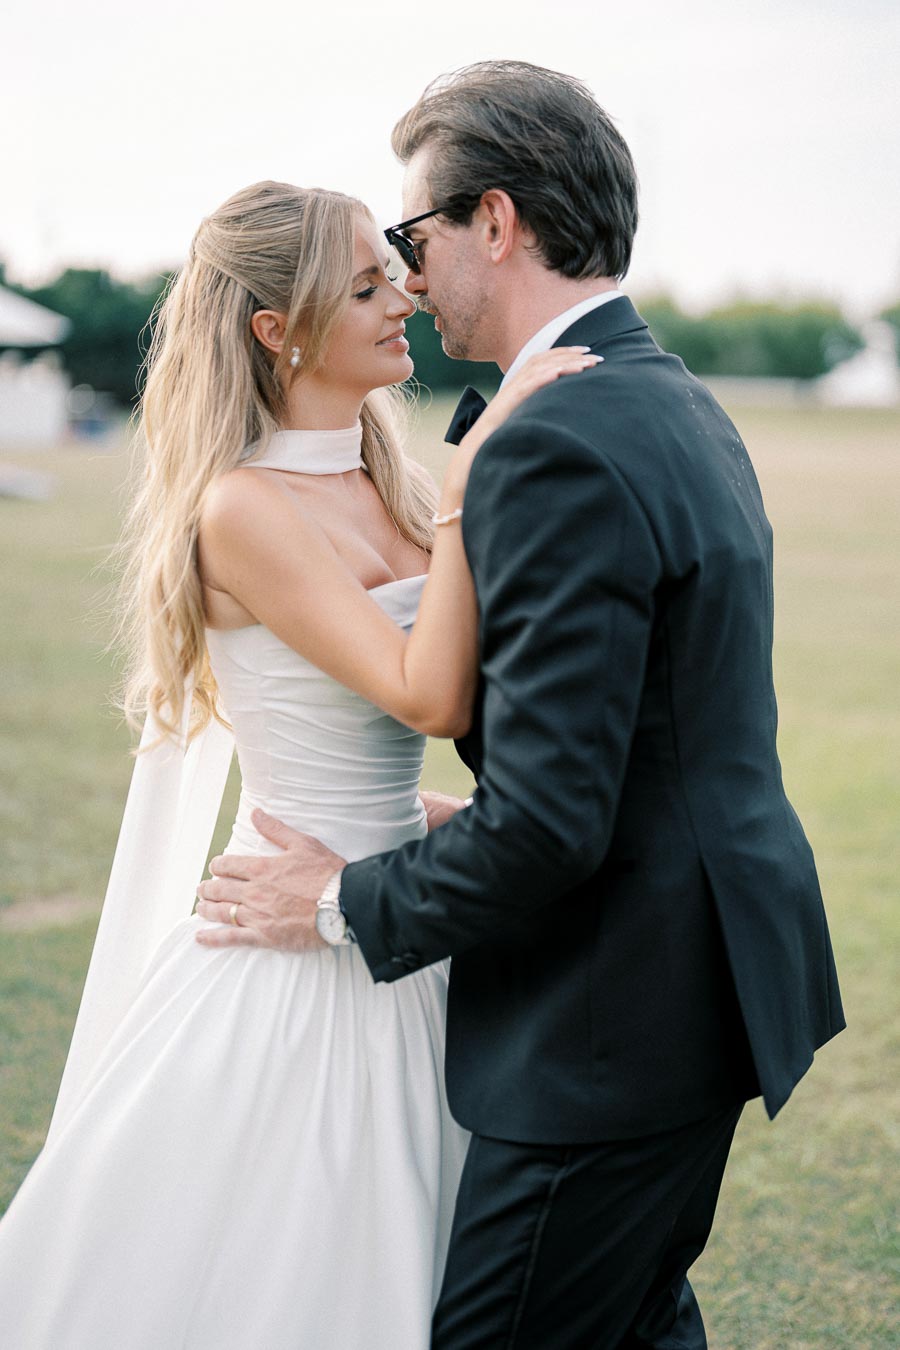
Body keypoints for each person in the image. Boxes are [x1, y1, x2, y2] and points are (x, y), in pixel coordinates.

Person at [197, 63, 847, 1348]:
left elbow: (555, 821)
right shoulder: (667, 396)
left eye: (414, 237)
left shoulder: (549, 436)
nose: (411, 277)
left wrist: (332, 898)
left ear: (494, 221)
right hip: (689, 978)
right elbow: (637, 730)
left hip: (609, 1018)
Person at [0, 179, 596, 1348]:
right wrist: (476, 487)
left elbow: (394, 738)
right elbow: (430, 692)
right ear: (277, 330)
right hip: (290, 949)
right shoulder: (245, 508)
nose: (405, 296)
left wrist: (432, 821)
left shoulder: (382, 480)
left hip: (396, 919)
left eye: (396, 271)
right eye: (367, 285)